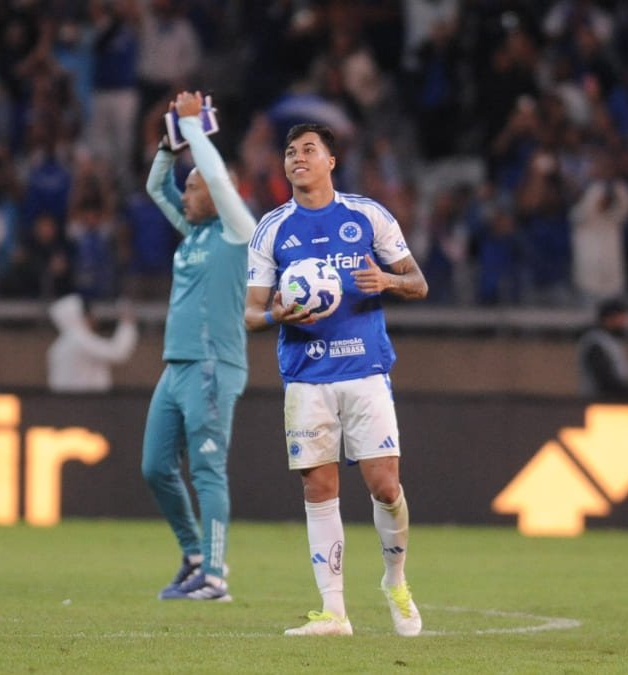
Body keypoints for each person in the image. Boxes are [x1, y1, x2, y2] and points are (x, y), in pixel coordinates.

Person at [244, 123, 428, 637]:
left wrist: (387, 280)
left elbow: (419, 282)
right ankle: (334, 613)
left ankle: (395, 581)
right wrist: (280, 314)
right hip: (307, 377)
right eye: (290, 152)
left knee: (385, 485)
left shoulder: (367, 215)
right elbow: (251, 315)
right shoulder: (273, 229)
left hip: (365, 371)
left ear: (331, 161)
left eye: (308, 150)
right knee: (319, 488)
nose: (297, 158)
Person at [141, 91, 255, 601]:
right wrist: (170, 145)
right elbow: (154, 185)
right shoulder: (193, 233)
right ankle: (192, 554)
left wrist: (194, 132)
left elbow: (219, 180)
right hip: (177, 367)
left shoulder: (238, 233)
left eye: (193, 186)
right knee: (154, 467)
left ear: (215, 189)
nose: (185, 195)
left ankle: (215, 575)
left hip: (213, 366)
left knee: (207, 469)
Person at [47, 294, 138, 393]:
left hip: (70, 403)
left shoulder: (60, 345)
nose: (93, 318)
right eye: (89, 314)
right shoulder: (78, 340)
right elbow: (118, 352)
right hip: (83, 402)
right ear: (80, 316)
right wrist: (127, 323)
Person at [577, 298, 628, 401]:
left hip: (615, 404)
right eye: (621, 317)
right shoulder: (596, 343)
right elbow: (606, 380)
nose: (625, 322)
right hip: (598, 405)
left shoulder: (613, 342)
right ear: (609, 318)